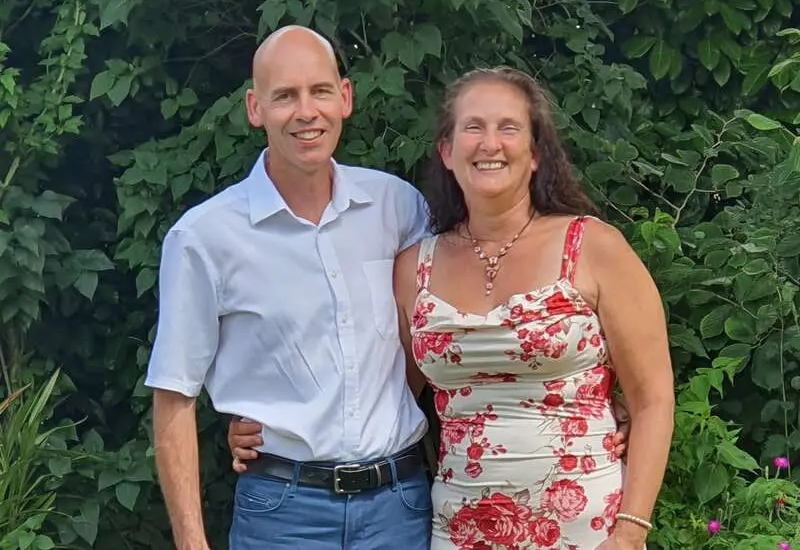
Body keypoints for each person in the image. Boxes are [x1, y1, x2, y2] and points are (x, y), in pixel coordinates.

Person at [231, 64, 673, 549]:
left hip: (588, 529)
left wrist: (631, 531)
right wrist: (276, 426)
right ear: (446, 151)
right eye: (473, 128)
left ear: (535, 153)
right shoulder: (413, 269)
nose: (490, 143)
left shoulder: (594, 247)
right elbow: (377, 393)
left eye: (508, 128)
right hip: (460, 528)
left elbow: (652, 398)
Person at [144, 25, 434, 550]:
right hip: (283, 513)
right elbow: (173, 396)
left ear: (344, 97)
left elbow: (427, 338)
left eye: (320, 91)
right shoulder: (204, 237)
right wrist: (191, 543)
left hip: (399, 506)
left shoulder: (399, 208)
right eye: (285, 96)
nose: (306, 112)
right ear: (255, 109)